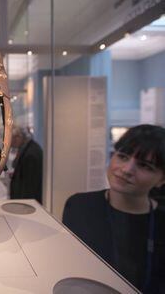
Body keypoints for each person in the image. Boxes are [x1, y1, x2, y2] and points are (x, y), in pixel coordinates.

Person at [63, 124, 165, 293]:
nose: (127, 170)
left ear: (162, 179)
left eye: (145, 166)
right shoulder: (78, 206)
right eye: (123, 157)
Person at [10, 126, 43, 203]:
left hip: (28, 204)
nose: (9, 143)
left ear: (18, 137)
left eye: (10, 138)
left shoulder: (31, 154)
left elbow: (29, 187)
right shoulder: (28, 148)